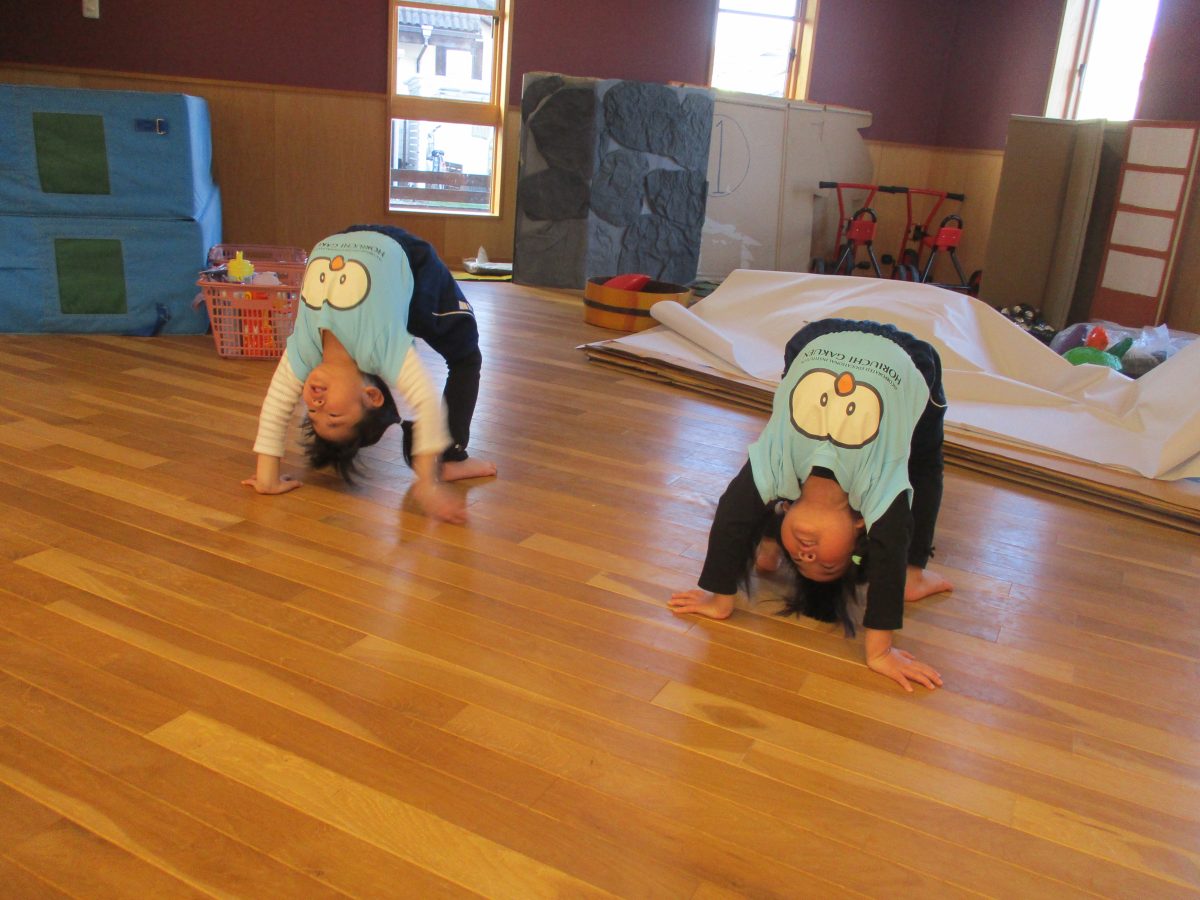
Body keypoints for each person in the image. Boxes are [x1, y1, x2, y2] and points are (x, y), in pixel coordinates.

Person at [668, 318, 952, 691]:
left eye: (799, 560)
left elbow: (734, 515)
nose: (806, 554)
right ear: (861, 527)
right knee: (924, 463)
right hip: (908, 358)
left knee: (757, 501)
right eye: (827, 564)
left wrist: (720, 598)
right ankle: (912, 577)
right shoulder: (877, 488)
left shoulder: (777, 469)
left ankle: (769, 544)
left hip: (819, 339)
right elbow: (890, 547)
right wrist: (881, 651)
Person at [242, 225, 496, 522]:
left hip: (351, 237)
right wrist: (428, 483)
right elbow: (426, 403)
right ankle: (449, 459)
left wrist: (267, 478)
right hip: (411, 262)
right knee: (466, 357)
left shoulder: (303, 350)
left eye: (312, 412)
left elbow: (277, 405)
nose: (317, 405)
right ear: (371, 395)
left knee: (402, 315)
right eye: (333, 416)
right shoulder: (381, 348)